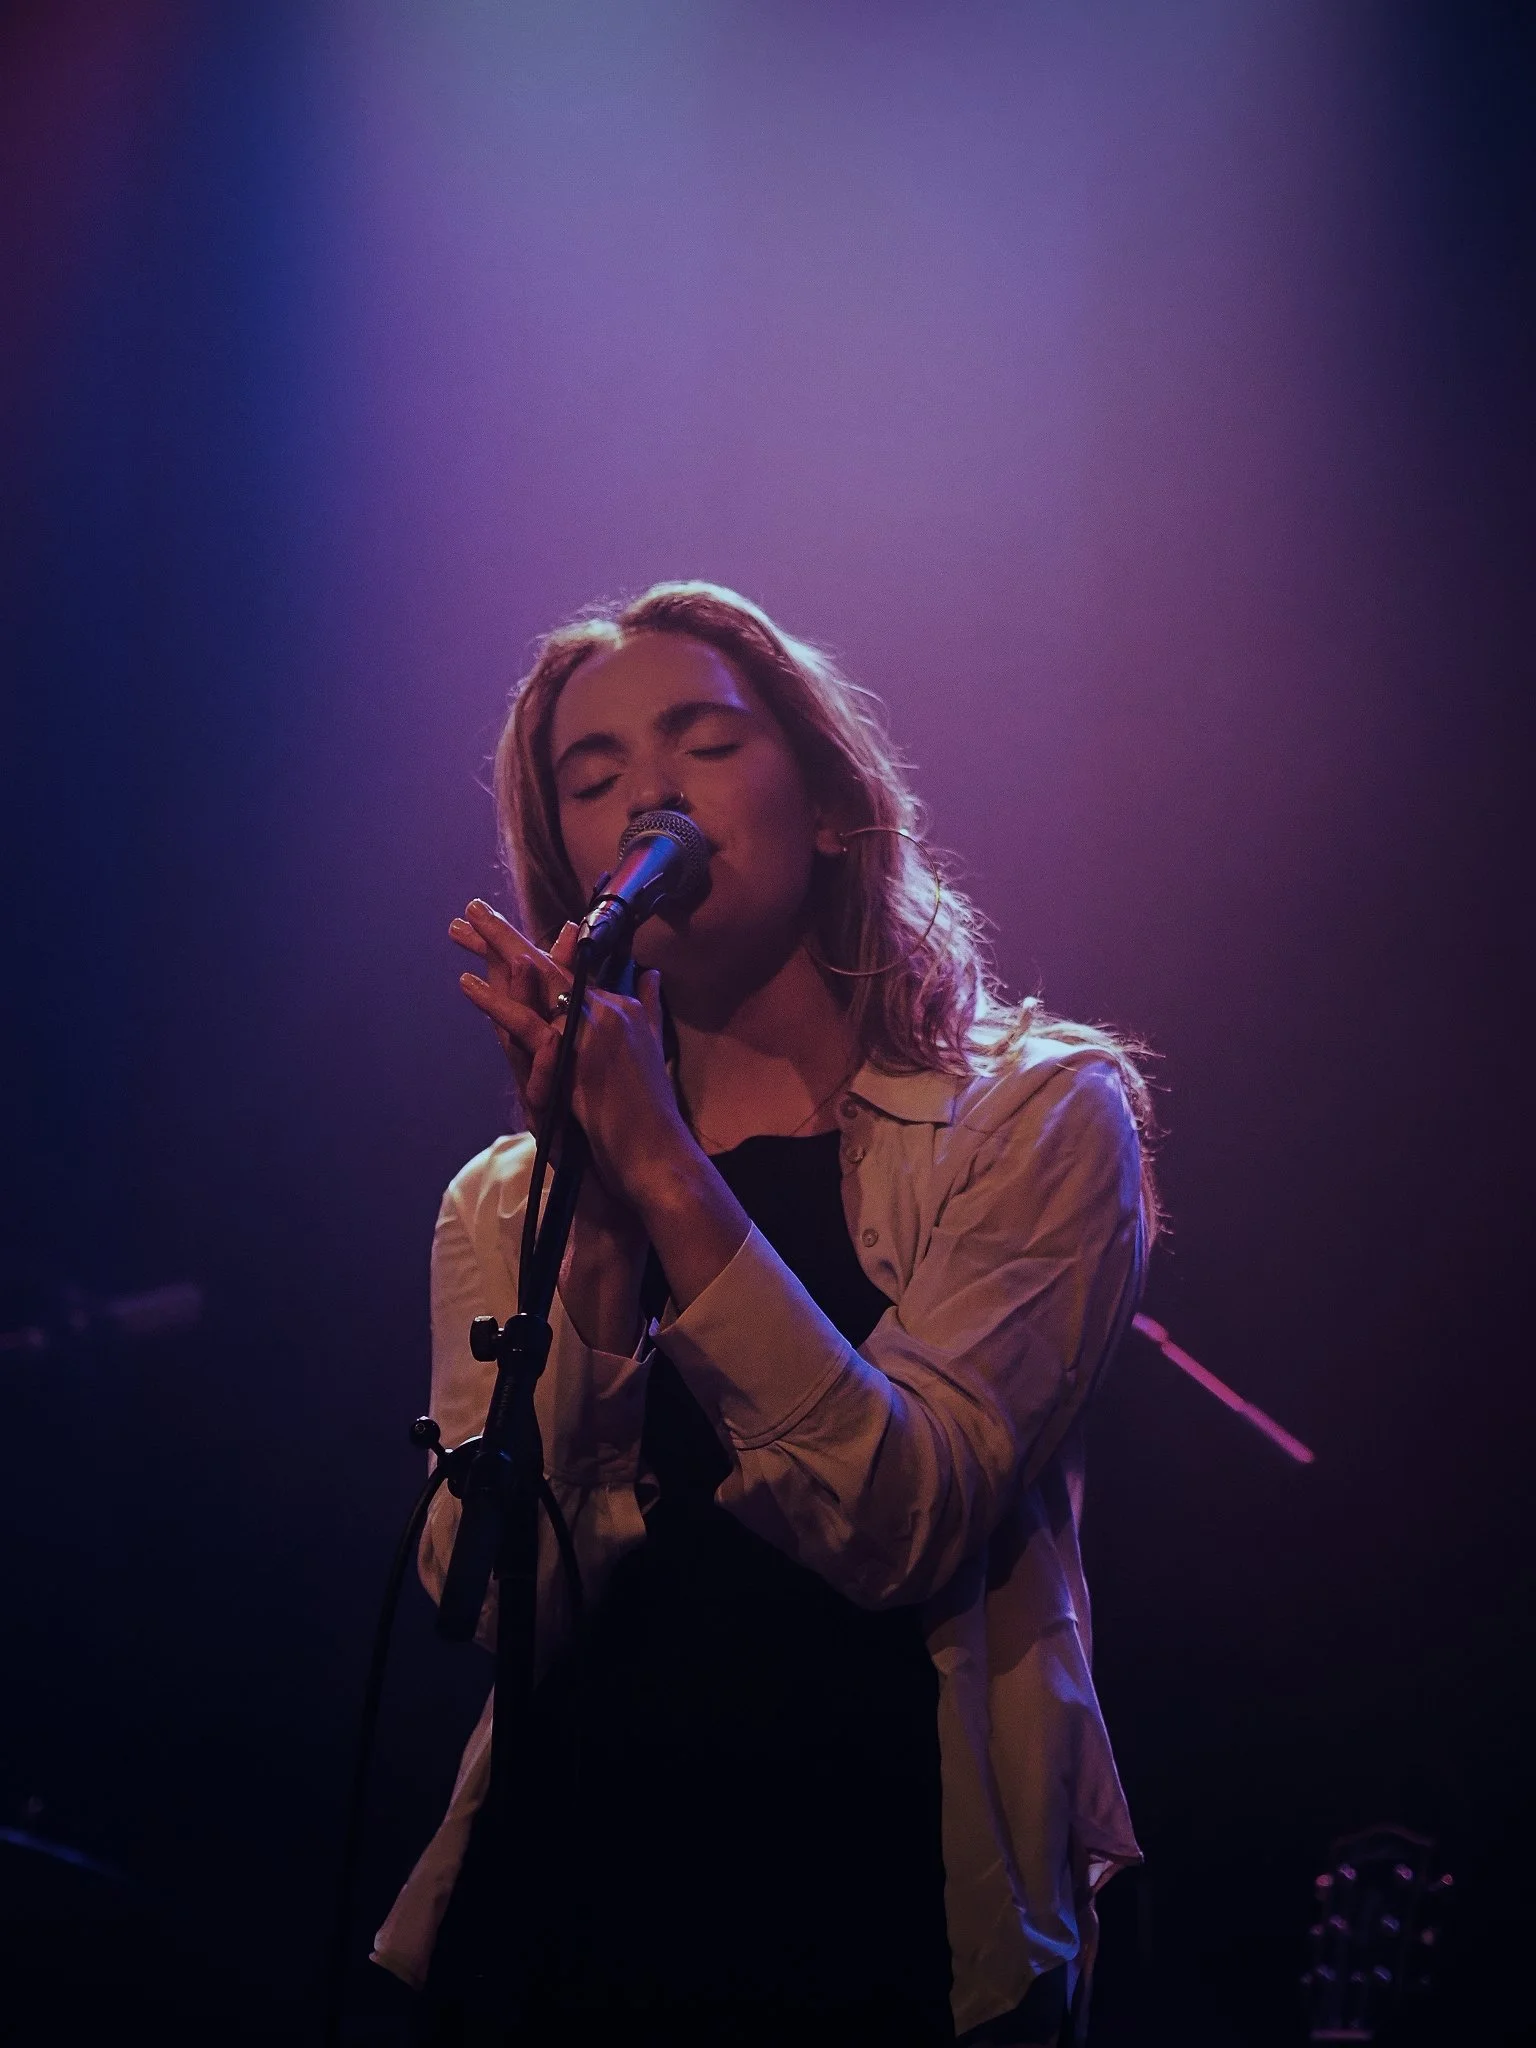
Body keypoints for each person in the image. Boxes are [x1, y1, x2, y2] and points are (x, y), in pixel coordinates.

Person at [371, 582, 1154, 2047]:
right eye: (591, 779)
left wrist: (664, 1168)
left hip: (875, 1907)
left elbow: (901, 1522)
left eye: (706, 744)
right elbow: (491, 1599)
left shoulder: (1036, 1117)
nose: (646, 795)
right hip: (558, 1907)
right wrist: (598, 1233)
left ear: (835, 807)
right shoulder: (509, 1198)